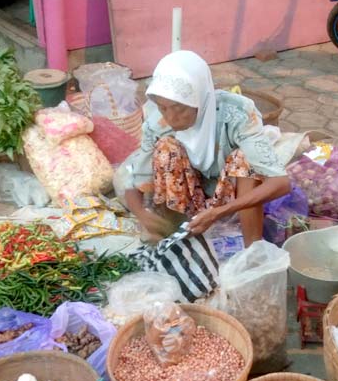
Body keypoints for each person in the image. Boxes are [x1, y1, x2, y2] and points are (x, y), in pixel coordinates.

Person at [120, 50, 291, 244]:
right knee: (165, 149)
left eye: (180, 108)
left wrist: (218, 212)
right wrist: (142, 214)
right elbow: (135, 181)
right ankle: (178, 235)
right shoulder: (157, 125)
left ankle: (252, 250)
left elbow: (280, 182)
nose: (171, 117)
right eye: (163, 107)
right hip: (192, 199)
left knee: (244, 159)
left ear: (199, 100)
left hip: (232, 199)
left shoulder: (237, 114)